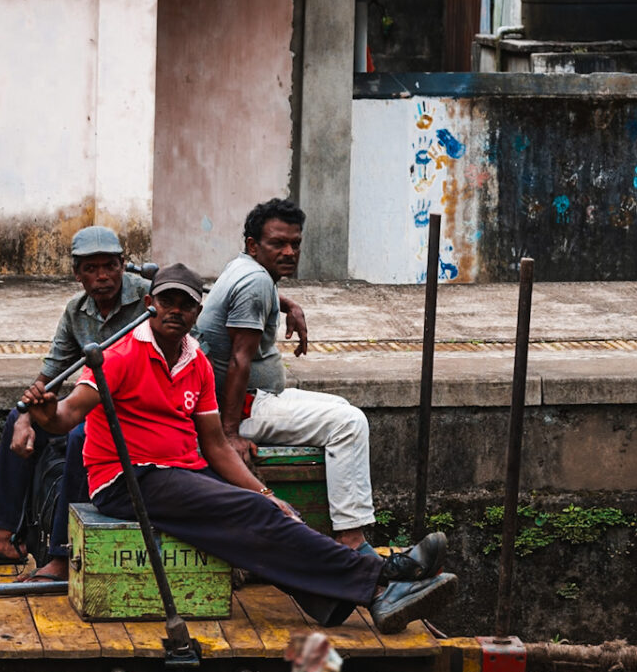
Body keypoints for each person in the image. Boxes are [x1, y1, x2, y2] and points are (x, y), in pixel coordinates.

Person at [26, 263, 453, 633]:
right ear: (149, 305)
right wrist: (44, 413)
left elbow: (216, 446)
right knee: (256, 515)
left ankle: (333, 600)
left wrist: (265, 493)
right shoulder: (119, 355)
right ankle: (383, 577)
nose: (176, 310)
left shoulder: (197, 363)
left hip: (181, 472)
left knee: (271, 513)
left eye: (186, 304)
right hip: (130, 478)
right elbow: (65, 417)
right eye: (167, 301)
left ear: (197, 312)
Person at [0, 225, 149, 576]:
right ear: (77, 274)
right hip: (92, 405)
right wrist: (28, 415)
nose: (102, 276)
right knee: (19, 420)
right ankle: (6, 536)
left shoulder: (150, 299)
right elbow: (51, 374)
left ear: (123, 264)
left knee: (81, 437)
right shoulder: (76, 311)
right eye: (91, 269)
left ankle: (62, 553)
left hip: (138, 412)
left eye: (109, 266)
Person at [196, 198, 378, 553]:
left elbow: (252, 296)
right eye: (278, 243)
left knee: (339, 407)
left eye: (295, 243)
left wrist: (288, 303)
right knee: (349, 422)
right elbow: (238, 360)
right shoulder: (254, 282)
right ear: (253, 245)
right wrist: (230, 434)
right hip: (244, 408)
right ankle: (351, 540)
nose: (289, 251)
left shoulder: (245, 269)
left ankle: (330, 522)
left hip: (254, 399)